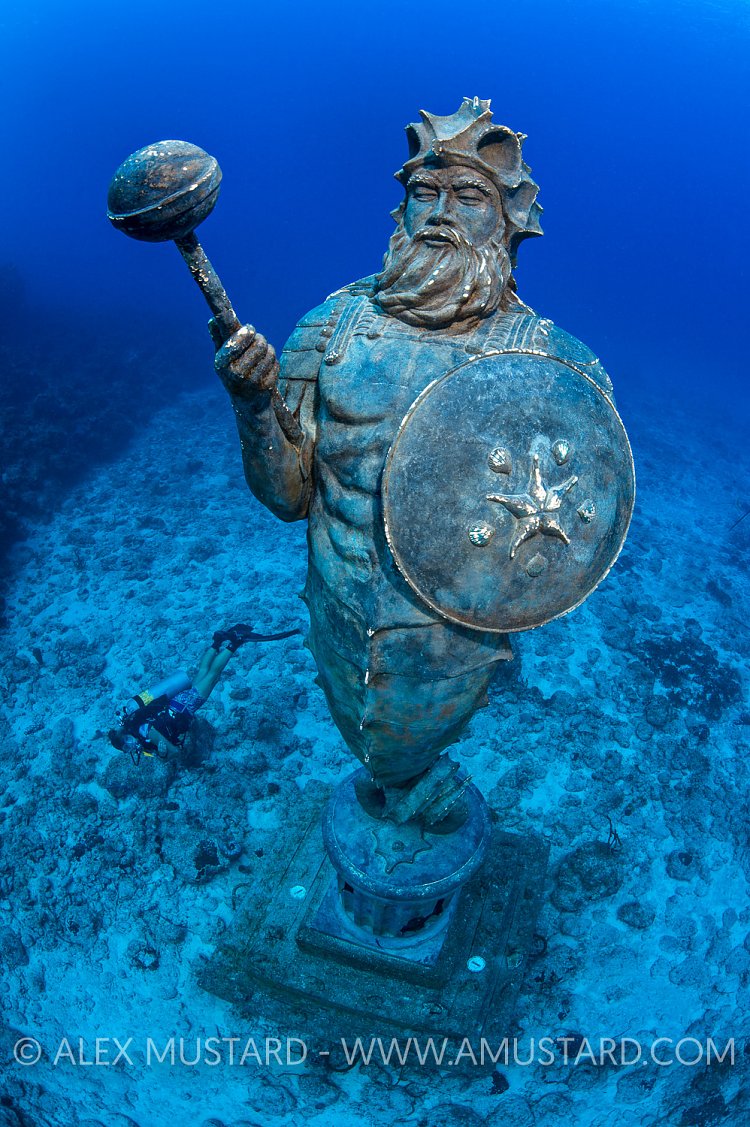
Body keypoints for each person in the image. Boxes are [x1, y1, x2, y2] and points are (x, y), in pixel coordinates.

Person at [212, 99, 619, 823]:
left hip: (447, 653)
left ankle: (414, 784)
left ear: (508, 221)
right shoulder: (331, 325)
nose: (440, 213)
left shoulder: (550, 365)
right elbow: (286, 497)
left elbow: (572, 535)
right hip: (334, 617)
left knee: (406, 767)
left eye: (468, 198)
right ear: (400, 209)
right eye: (424, 193)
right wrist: (252, 404)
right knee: (376, 763)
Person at [108, 623, 298, 762]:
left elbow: (174, 752)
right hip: (177, 703)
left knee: (213, 676)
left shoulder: (146, 731)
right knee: (204, 673)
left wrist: (165, 753)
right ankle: (216, 642)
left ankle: (235, 642)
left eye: (126, 745)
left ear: (126, 737)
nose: (131, 748)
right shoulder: (138, 727)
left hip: (185, 706)